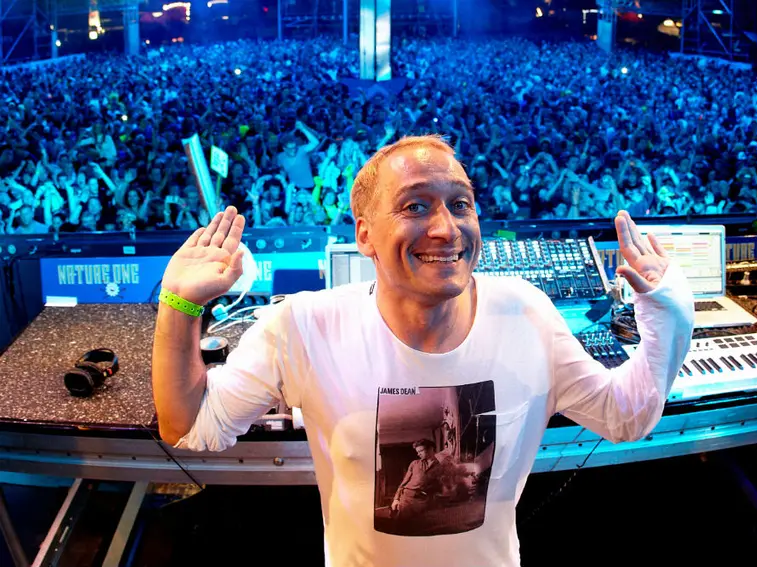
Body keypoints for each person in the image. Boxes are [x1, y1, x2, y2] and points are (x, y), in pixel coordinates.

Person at [151, 135, 694, 566]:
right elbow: (191, 426)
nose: (445, 228)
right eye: (415, 206)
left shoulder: (525, 313)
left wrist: (669, 315)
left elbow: (625, 416)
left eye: (460, 204)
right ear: (365, 235)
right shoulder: (304, 325)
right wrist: (179, 303)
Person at [391, 439, 443, 521]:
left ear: (431, 449)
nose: (418, 454)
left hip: (424, 501)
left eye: (421, 451)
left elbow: (439, 486)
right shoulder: (414, 464)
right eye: (417, 452)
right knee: (401, 524)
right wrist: (396, 499)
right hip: (407, 499)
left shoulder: (440, 466)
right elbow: (404, 483)